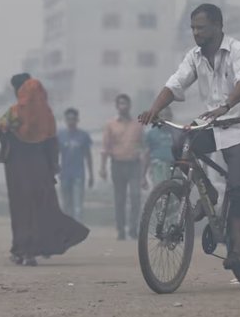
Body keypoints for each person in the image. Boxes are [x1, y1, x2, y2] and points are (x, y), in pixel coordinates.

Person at [139, 3, 240, 272]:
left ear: (218, 26)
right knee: (181, 142)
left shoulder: (239, 51)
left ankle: (238, 250)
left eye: (201, 27)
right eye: (193, 28)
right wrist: (154, 110)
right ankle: (209, 192)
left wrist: (227, 106)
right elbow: (175, 83)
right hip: (212, 124)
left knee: (238, 185)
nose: (196, 32)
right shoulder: (194, 56)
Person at [0, 73, 88, 266]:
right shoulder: (48, 116)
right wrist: (53, 167)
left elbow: (2, 134)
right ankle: (36, 250)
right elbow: (52, 145)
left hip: (17, 173)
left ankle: (22, 250)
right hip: (40, 171)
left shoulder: (13, 113)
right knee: (42, 209)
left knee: (21, 211)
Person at [100, 94, 145, 240]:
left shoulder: (137, 124)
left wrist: (144, 171)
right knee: (119, 199)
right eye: (120, 104)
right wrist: (102, 167)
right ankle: (120, 229)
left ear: (129, 106)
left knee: (135, 196)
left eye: (125, 103)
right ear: (117, 106)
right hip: (117, 164)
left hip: (134, 165)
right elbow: (105, 146)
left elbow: (143, 146)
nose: (123, 106)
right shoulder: (110, 124)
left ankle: (133, 229)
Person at [57, 107, 94, 222]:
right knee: (66, 205)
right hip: (65, 175)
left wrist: (91, 175)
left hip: (78, 175)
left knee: (77, 206)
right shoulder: (60, 135)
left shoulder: (83, 136)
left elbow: (88, 156)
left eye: (73, 119)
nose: (71, 121)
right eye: (68, 119)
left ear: (77, 120)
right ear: (65, 120)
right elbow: (54, 154)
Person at [143, 107, 175, 188]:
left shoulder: (177, 133)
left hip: (174, 169)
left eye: (167, 115)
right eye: (162, 115)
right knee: (160, 194)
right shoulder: (151, 134)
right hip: (158, 169)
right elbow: (146, 154)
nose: (165, 118)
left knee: (175, 195)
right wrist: (143, 176)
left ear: (171, 117)